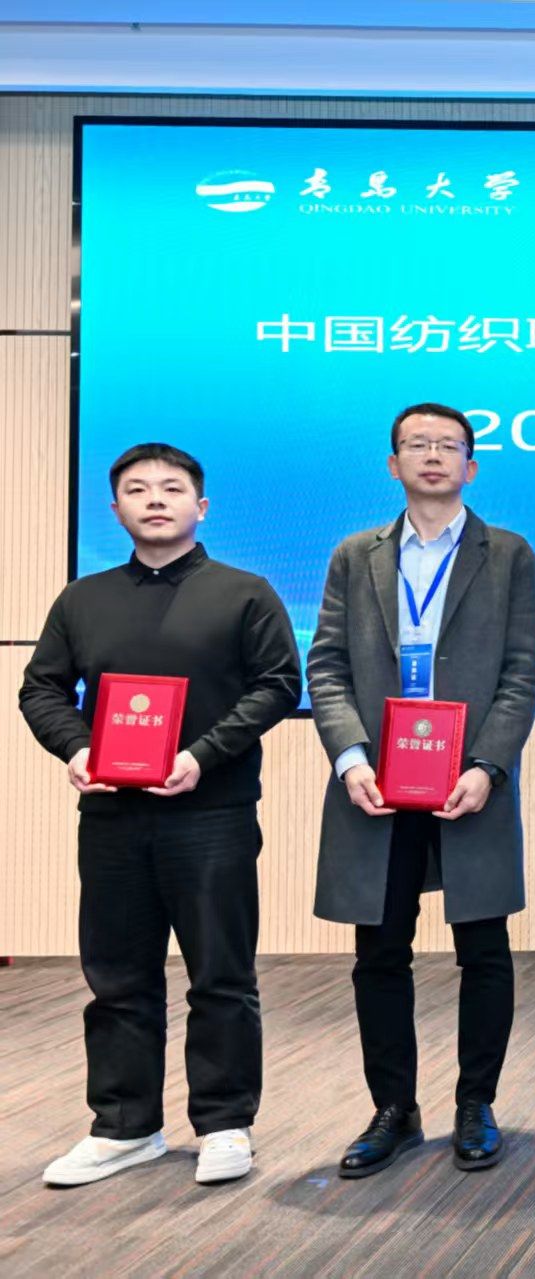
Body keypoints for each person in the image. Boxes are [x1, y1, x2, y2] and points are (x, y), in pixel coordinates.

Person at [20, 443, 301, 1188]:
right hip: (111, 818)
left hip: (212, 814)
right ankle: (124, 1126)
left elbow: (278, 684)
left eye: (172, 489)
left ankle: (225, 1123)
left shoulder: (244, 592)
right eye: (138, 489)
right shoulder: (83, 598)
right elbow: (41, 688)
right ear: (114, 509)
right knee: (116, 976)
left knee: (221, 974)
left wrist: (203, 755)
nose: (155, 499)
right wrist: (77, 748)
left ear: (200, 507)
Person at [307, 402, 535, 1179]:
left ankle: (476, 1103)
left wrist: (487, 766)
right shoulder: (356, 555)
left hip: (468, 777)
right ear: (393, 463)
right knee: (379, 950)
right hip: (377, 780)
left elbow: (521, 672)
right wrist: (350, 759)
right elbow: (327, 666)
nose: (433, 455)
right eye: (418, 444)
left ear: (471, 466)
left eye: (448, 446)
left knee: (484, 947)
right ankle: (394, 1108)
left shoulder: (509, 554)